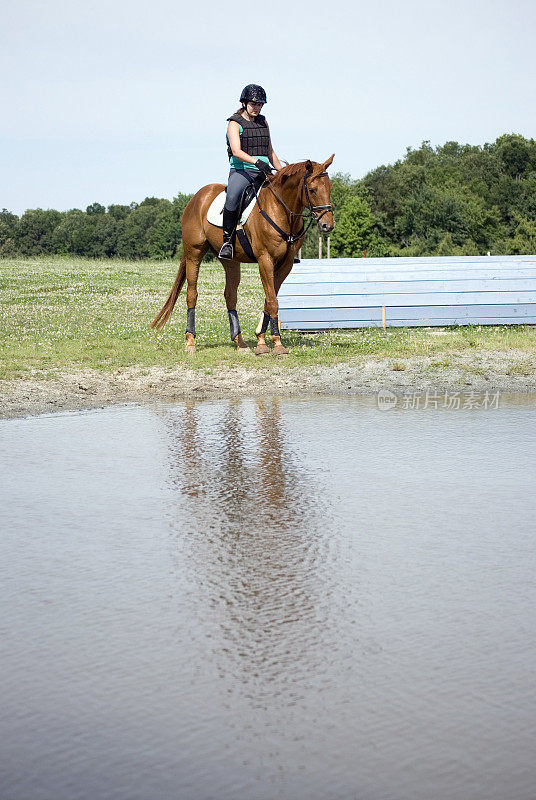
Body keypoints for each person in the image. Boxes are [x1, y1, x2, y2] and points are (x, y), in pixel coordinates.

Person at [219, 84, 283, 260]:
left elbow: (270, 151)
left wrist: (284, 173)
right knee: (232, 197)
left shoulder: (263, 122)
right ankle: (227, 242)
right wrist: (256, 162)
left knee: (284, 196)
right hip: (242, 171)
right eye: (253, 104)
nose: (257, 107)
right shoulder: (234, 123)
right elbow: (237, 151)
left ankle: (286, 245)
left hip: (263, 171)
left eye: (260, 104)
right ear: (245, 103)